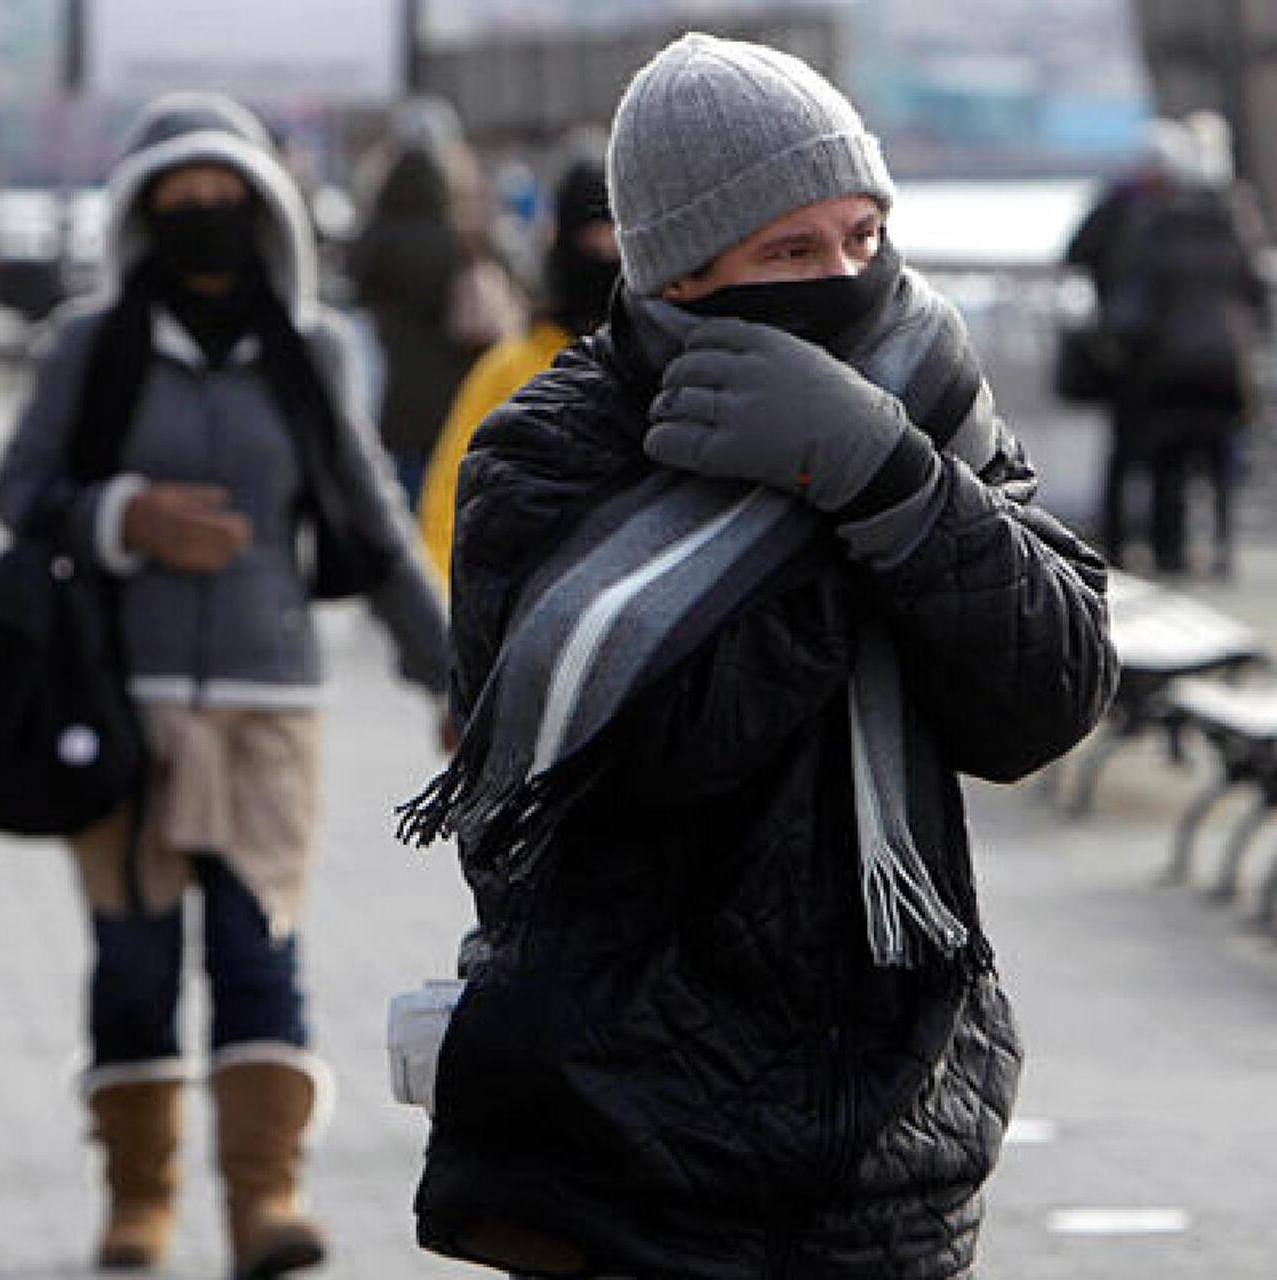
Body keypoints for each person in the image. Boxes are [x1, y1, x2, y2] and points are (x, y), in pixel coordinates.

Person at [397, 34, 1117, 1278]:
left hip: (893, 1127)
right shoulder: (549, 452)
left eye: (863, 238)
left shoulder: (924, 404)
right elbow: (662, 751)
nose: (843, 280)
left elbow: (1045, 695)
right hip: (621, 1143)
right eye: (791, 251)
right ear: (679, 273)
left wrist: (890, 478)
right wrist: (845, 515)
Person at [0, 93, 448, 1279]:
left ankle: (264, 1202)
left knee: (260, 955)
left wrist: (455, 676)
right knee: (135, 959)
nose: (203, 215)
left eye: (225, 195)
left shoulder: (314, 348)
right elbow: (19, 489)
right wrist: (122, 517)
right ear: (140, 216)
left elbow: (373, 522)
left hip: (268, 707)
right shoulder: (89, 347)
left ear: (266, 208)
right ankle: (138, 1199)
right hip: (121, 704)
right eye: (177, 198)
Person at [1065, 119, 1263, 574]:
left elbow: (1107, 273)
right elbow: (1251, 288)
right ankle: (1219, 551)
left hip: (1155, 361)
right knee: (1217, 459)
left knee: (1153, 459)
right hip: (1224, 360)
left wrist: (1114, 336)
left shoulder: (1144, 217)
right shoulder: (1231, 219)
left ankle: (1150, 551)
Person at [416, 153, 619, 586]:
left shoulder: (675, 367)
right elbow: (450, 499)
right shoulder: (510, 371)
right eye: (592, 237)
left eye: (617, 237)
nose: (605, 253)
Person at [349, 106, 521, 506]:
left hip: (399, 393)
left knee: (408, 492)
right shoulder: (462, 236)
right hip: (460, 384)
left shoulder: (376, 239)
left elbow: (356, 291)